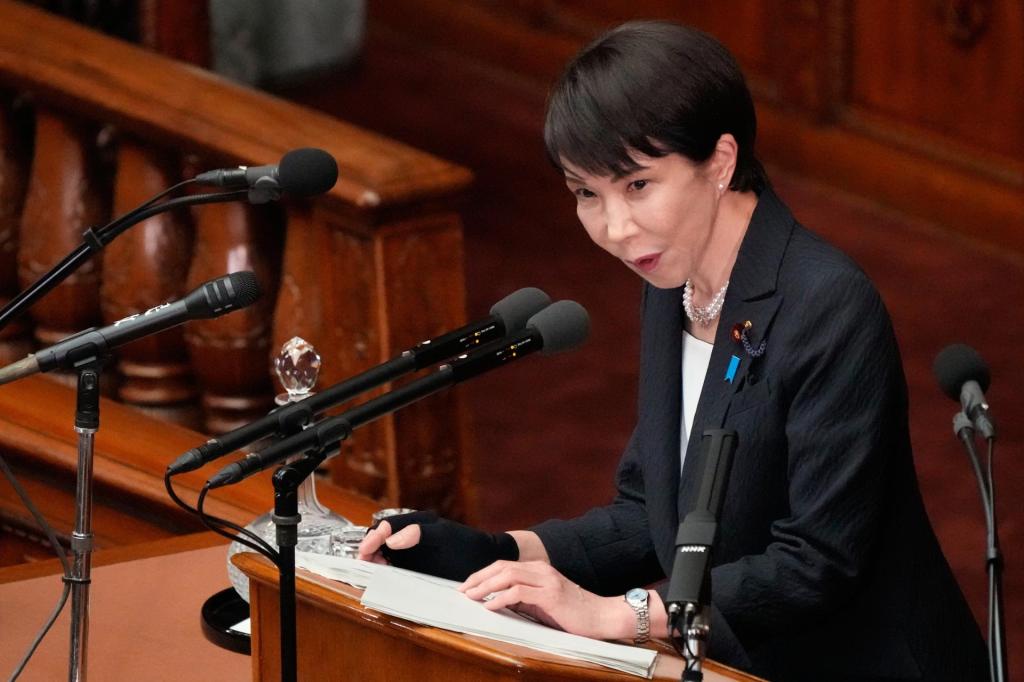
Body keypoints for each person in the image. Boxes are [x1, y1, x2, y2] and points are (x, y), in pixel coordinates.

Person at [359, 20, 988, 682]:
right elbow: (651, 516)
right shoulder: (673, 284)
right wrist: (494, 553)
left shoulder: (827, 303)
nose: (615, 228)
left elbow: (818, 559)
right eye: (587, 194)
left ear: (719, 162)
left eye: (637, 186)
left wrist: (624, 615)